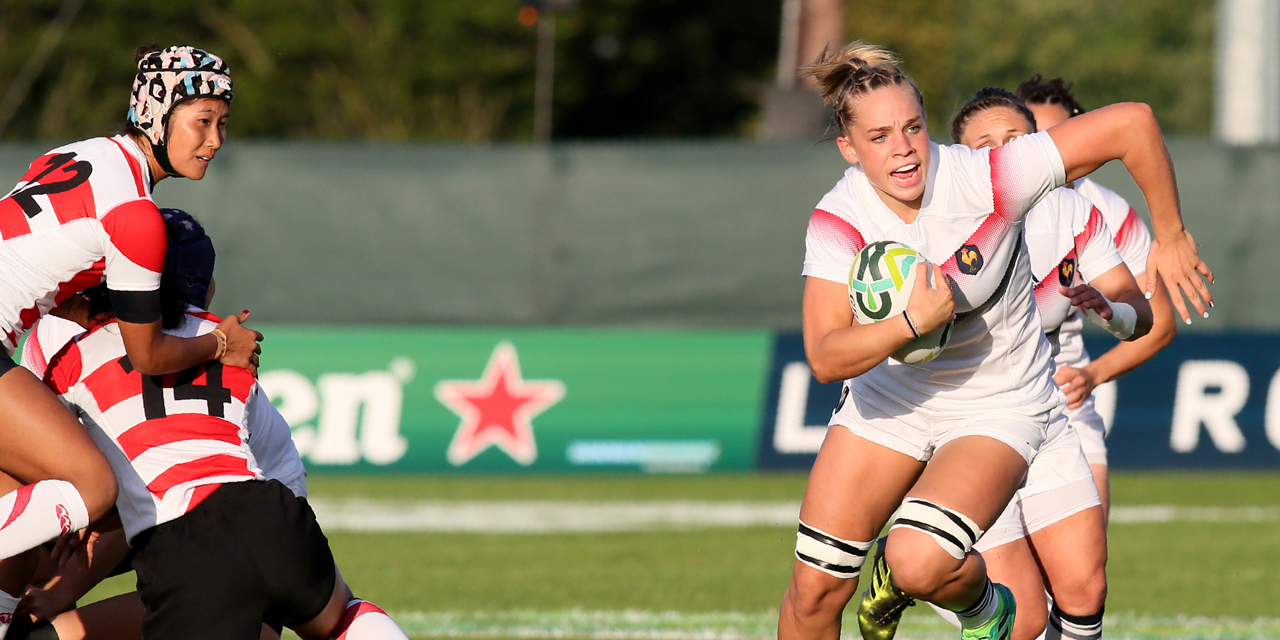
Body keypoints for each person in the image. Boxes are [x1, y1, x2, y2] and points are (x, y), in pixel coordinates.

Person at [778, 41, 1212, 640]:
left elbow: (1132, 122)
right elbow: (825, 356)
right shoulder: (839, 215)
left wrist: (1170, 233)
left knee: (916, 560)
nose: (903, 149)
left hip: (998, 404)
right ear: (849, 150)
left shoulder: (989, 174)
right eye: (878, 138)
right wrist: (910, 324)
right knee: (812, 595)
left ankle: (985, 612)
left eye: (912, 128)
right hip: (888, 405)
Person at [28, 211, 408, 640]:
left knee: (41, 564)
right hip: (270, 516)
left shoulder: (72, 350)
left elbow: (82, 470)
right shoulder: (231, 340)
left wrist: (60, 593)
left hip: (180, 540)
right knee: (340, 617)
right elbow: (277, 465)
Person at [858, 87, 1153, 640]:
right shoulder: (932, 219)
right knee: (1024, 621)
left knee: (1085, 587)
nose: (1000, 153)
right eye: (983, 145)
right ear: (963, 158)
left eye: (1013, 140)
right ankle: (901, 567)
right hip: (961, 428)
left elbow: (1141, 317)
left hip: (1040, 412)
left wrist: (1109, 311)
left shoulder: (1072, 211)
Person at [0, 44, 260, 633]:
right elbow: (149, 355)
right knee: (88, 485)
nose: (216, 141)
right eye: (202, 122)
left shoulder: (80, 153)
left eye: (223, 124)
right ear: (156, 113)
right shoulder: (137, 212)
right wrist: (222, 346)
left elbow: (52, 276)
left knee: (18, 495)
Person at [1017, 75, 1178, 514]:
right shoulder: (983, 200)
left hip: (1063, 400)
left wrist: (1091, 376)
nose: (1049, 147)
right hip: (983, 398)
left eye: (1059, 134)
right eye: (1033, 136)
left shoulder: (1106, 211)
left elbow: (1158, 322)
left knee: (1085, 582)